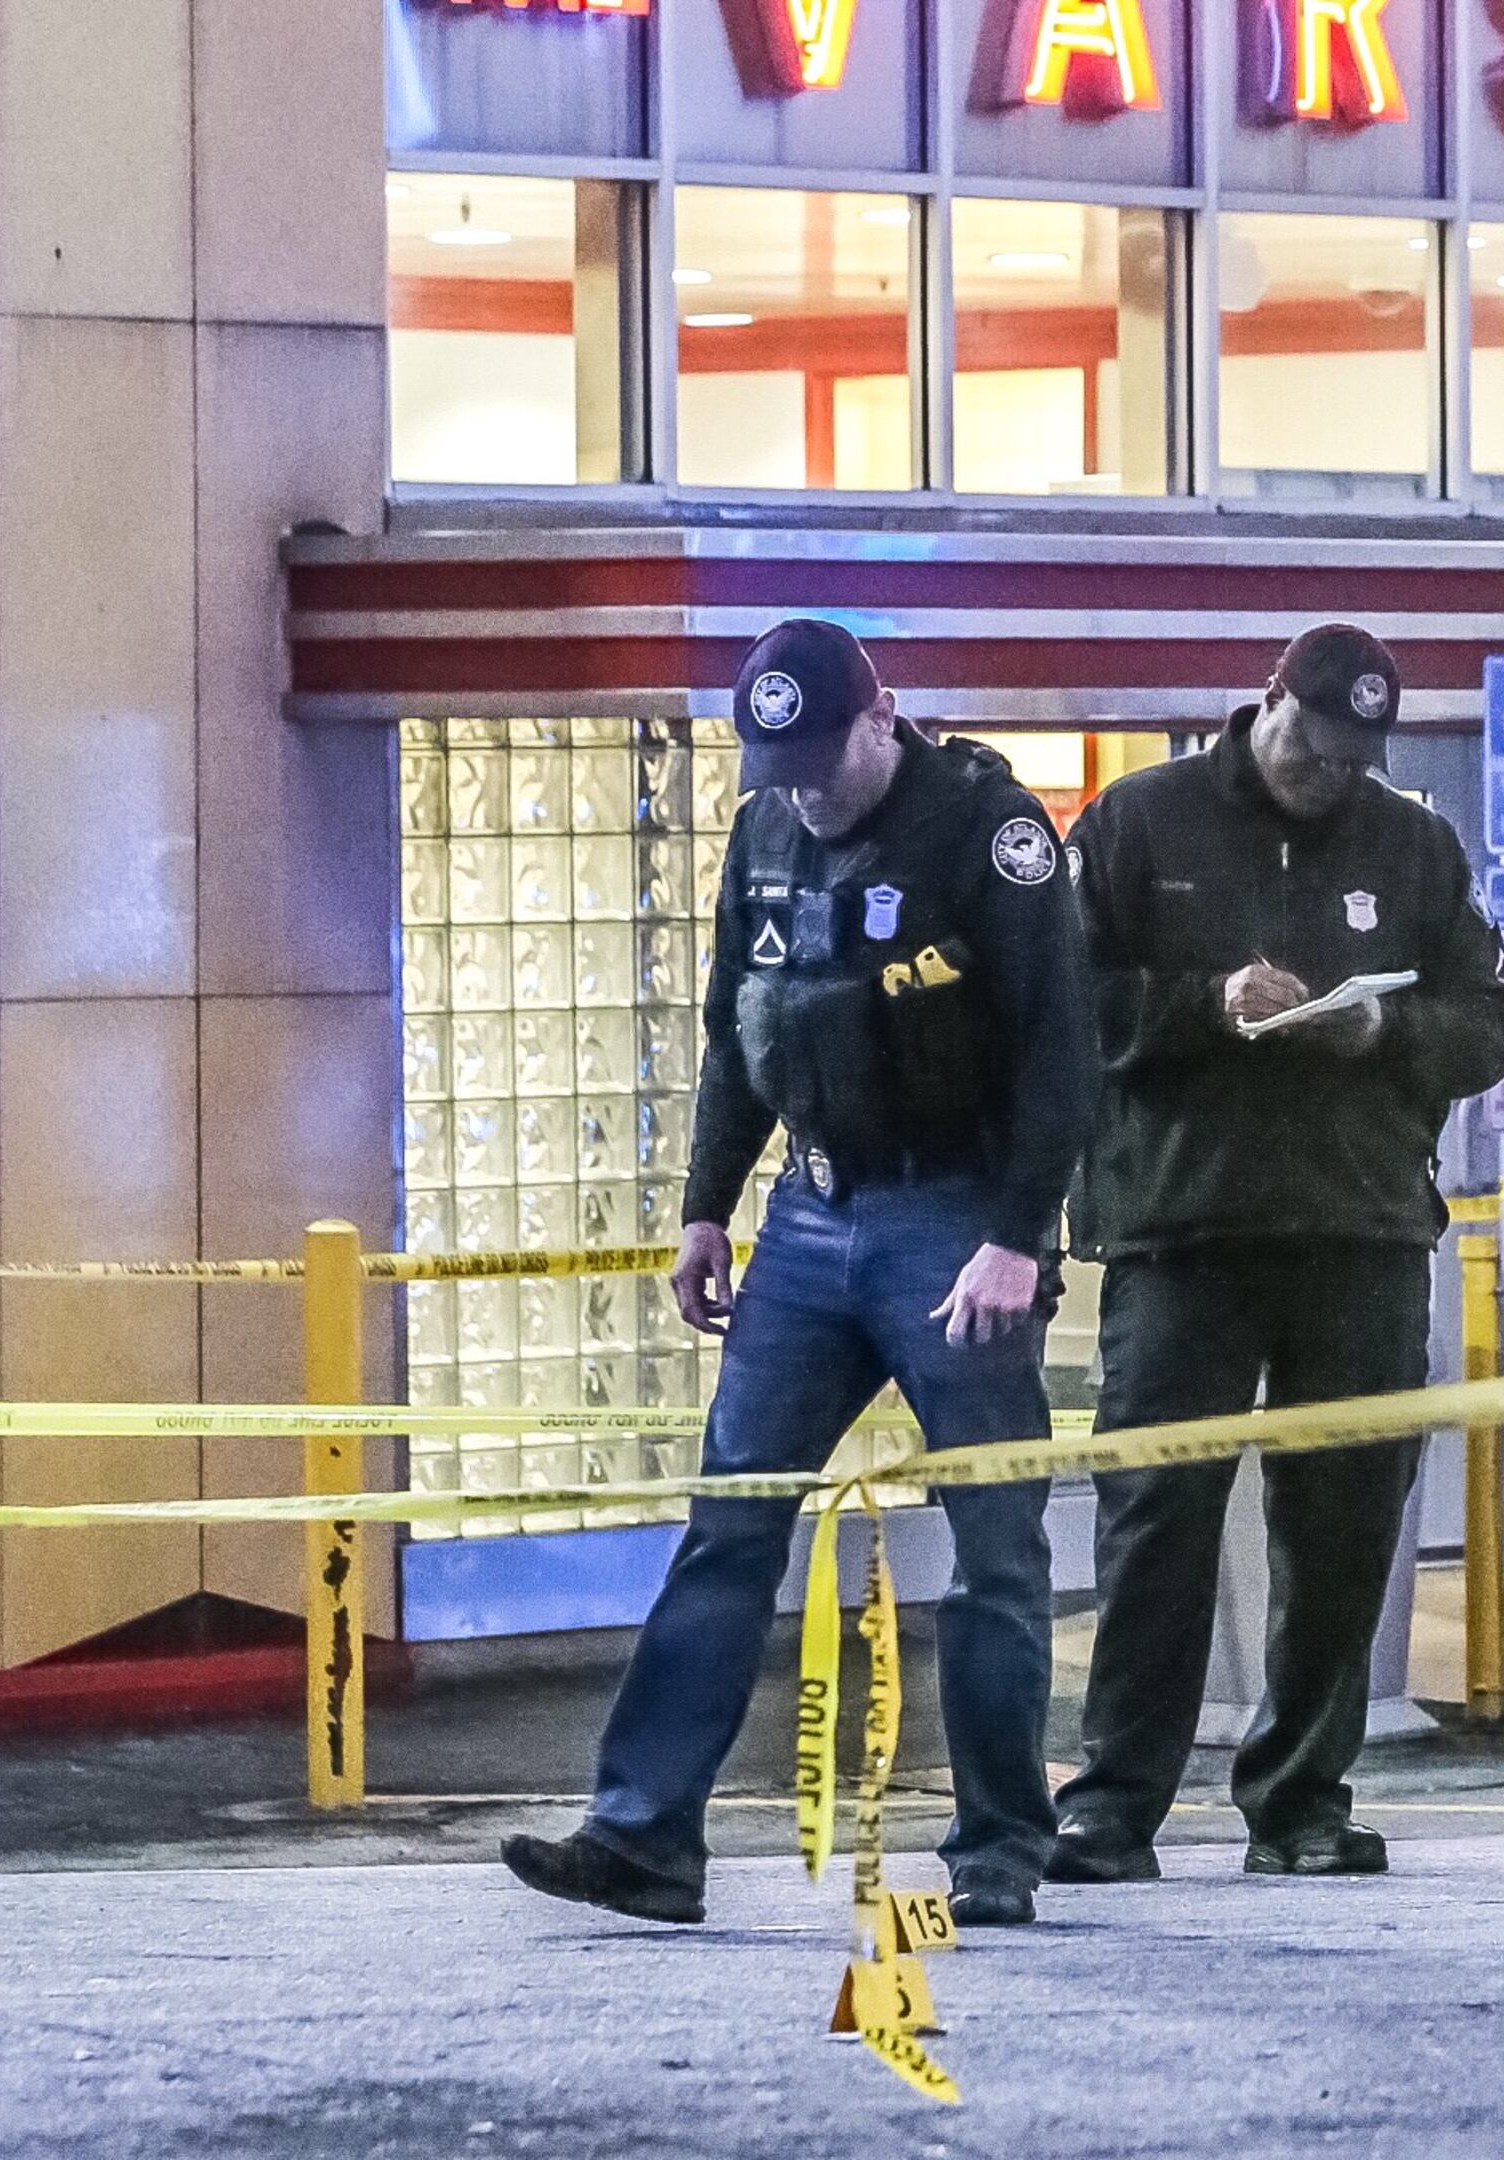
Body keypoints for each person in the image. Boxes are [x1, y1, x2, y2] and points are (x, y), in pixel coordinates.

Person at [503, 619, 1094, 1930]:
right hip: (812, 1217)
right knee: (730, 1524)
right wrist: (706, 1208)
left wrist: (1017, 1232)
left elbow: (1063, 1049)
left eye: (823, 757)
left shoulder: (992, 833)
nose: (808, 788)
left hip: (958, 1216)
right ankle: (645, 1838)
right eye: (782, 765)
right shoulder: (767, 825)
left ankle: (1000, 1844)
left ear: (881, 714)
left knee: (995, 1542)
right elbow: (736, 1026)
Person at [1047, 623, 1504, 1882]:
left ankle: (1302, 1798)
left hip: (1358, 1231)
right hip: (1179, 1230)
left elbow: (1486, 1021)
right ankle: (1113, 1805)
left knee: (1344, 1524)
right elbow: (1057, 1004)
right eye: (1315, 747)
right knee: (1157, 1521)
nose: (1331, 774)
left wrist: (1379, 1029)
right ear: (1267, 703)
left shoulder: (1409, 841)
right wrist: (1204, 1007)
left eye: (1355, 756)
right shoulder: (1138, 824)